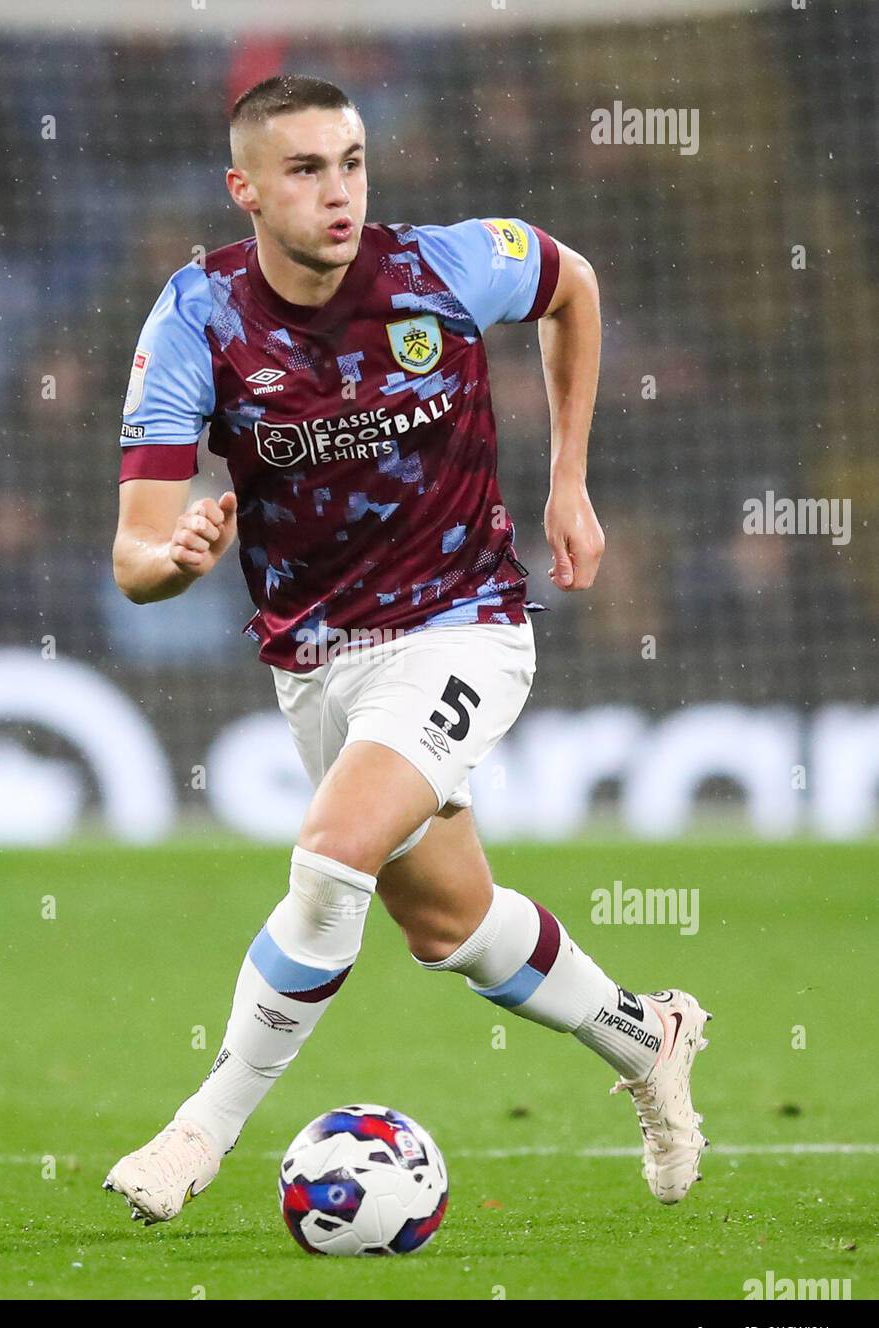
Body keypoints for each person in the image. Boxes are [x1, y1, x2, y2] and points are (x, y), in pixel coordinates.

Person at [104, 75, 709, 1225]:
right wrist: (174, 560)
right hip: (317, 660)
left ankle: (199, 1131)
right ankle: (651, 1036)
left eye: (352, 162)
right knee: (452, 925)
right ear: (244, 189)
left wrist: (568, 479)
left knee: (330, 856)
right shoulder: (197, 320)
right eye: (304, 170)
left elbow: (570, 283)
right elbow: (133, 556)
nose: (339, 192)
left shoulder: (444, 267)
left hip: (462, 626)